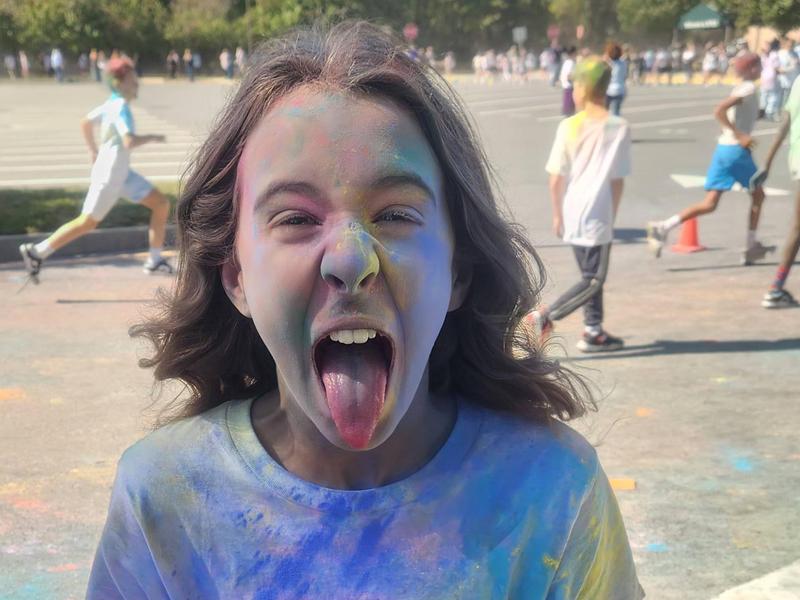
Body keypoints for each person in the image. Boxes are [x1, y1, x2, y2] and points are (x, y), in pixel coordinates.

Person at [85, 22, 643, 599]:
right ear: (237, 278)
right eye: (296, 218)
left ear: (458, 270)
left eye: (396, 214)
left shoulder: (553, 494)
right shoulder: (164, 497)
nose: (351, 261)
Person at [19, 57, 173, 282]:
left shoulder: (111, 103)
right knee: (87, 222)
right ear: (119, 83)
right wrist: (154, 137)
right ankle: (36, 252)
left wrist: (93, 151)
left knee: (161, 203)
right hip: (110, 176)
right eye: (132, 80)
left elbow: (85, 122)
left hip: (122, 174)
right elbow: (128, 141)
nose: (137, 84)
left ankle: (154, 260)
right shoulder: (120, 107)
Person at [531, 56, 631, 352]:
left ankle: (593, 331)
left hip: (573, 209)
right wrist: (612, 215)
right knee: (594, 279)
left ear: (585, 88)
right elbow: (617, 179)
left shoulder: (569, 126)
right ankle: (545, 316)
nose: (572, 92)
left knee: (589, 275)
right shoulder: (618, 126)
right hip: (597, 212)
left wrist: (558, 213)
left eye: (575, 86)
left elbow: (555, 176)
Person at [647, 52, 771, 265]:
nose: (762, 70)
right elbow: (720, 110)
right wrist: (739, 134)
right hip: (735, 151)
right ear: (751, 69)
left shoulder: (743, 87)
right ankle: (751, 245)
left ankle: (663, 227)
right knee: (758, 195)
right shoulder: (749, 88)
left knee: (710, 203)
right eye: (759, 66)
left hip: (724, 148)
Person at [758, 75, 800, 308]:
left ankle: (776, 288)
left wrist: (767, 161)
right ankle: (775, 289)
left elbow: (785, 121)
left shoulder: (798, 82)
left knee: (797, 227)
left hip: (797, 162)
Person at [605, 41, 627, 116]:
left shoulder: (607, 64)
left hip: (608, 90)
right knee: (616, 113)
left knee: (603, 112)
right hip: (620, 90)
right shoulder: (623, 63)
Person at [559, 46, 577, 117]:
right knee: (570, 112)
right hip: (570, 88)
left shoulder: (566, 62)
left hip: (566, 87)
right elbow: (569, 76)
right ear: (573, 53)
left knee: (568, 111)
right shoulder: (571, 63)